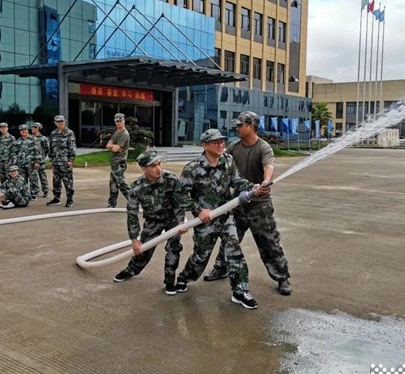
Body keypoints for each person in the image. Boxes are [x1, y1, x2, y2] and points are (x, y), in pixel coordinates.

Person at [173, 128, 268, 310]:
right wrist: (198, 210)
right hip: (205, 221)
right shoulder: (193, 168)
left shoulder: (228, 160)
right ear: (205, 145)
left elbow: (237, 181)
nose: (221, 144)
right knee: (201, 257)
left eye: (222, 141)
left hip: (226, 217)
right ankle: (184, 277)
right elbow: (180, 194)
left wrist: (252, 186)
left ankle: (240, 291)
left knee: (234, 251)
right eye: (216, 142)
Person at [204, 111, 292, 295]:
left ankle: (282, 277)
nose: (236, 128)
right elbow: (219, 162)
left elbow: (269, 166)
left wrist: (266, 182)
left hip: (259, 205)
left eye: (240, 125)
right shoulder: (234, 148)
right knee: (230, 239)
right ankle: (221, 268)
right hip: (238, 203)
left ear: (251, 126)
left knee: (269, 242)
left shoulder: (263, 147)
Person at [113, 151, 186, 295]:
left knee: (173, 248)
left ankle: (170, 281)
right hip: (153, 220)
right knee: (143, 250)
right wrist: (134, 239)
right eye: (153, 166)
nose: (158, 168)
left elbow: (180, 202)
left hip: (172, 219)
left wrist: (180, 221)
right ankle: (131, 270)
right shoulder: (136, 188)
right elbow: (132, 214)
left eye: (159, 164)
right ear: (144, 168)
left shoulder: (171, 179)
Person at [47, 115, 76, 207]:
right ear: (55, 123)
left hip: (65, 162)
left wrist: (71, 160)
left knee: (67, 181)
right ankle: (56, 198)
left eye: (62, 121)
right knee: (56, 181)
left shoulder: (69, 133)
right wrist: (51, 159)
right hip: (56, 162)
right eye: (58, 122)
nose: (60, 123)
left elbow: (72, 147)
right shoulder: (53, 133)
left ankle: (69, 199)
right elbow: (50, 147)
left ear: (65, 122)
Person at [106, 113, 131, 208]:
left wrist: (112, 146)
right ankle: (112, 203)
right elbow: (108, 145)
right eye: (117, 121)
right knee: (113, 184)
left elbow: (116, 149)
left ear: (124, 121)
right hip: (114, 161)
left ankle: (133, 199)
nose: (118, 123)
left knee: (121, 183)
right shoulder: (116, 133)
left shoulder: (124, 134)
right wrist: (112, 146)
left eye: (120, 121)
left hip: (120, 161)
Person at [14, 124, 42, 201]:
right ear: (20, 132)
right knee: (23, 179)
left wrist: (37, 161)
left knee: (33, 179)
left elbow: (38, 151)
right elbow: (15, 152)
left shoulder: (34, 139)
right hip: (21, 163)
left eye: (25, 129)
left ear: (27, 130)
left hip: (31, 163)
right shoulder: (18, 141)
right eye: (21, 130)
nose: (23, 131)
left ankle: (34, 193)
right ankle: (25, 193)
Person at [31, 122, 50, 198]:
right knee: (33, 177)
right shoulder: (31, 137)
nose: (32, 129)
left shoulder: (43, 138)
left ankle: (45, 190)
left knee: (42, 176)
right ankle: (34, 191)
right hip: (32, 161)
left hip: (40, 161)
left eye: (33, 127)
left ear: (37, 128)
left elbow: (47, 149)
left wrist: (41, 158)